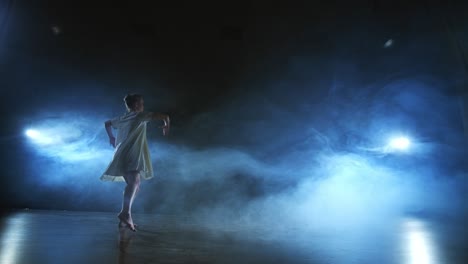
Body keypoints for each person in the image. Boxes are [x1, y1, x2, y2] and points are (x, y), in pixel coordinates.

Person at [101, 94, 170, 231]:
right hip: (131, 153)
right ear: (137, 105)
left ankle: (125, 217)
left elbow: (107, 123)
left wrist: (111, 137)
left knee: (135, 185)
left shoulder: (123, 117)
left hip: (122, 153)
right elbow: (165, 116)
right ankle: (125, 213)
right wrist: (167, 126)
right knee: (134, 183)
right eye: (142, 103)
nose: (143, 106)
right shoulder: (140, 115)